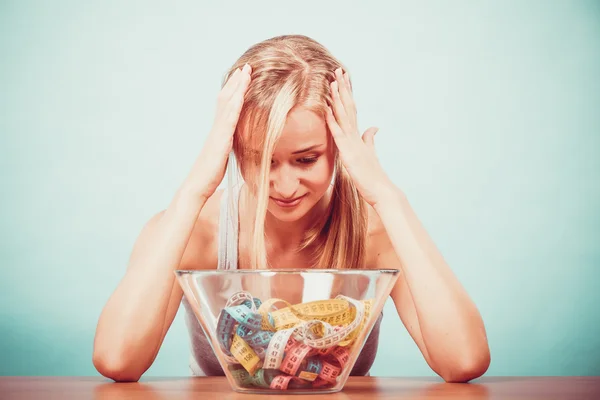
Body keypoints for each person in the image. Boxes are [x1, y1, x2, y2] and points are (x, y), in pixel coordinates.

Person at [92, 34, 491, 383]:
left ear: (338, 146)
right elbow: (117, 360)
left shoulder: (373, 233)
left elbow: (464, 360)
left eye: (306, 159)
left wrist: (387, 195)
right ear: (231, 149)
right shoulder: (200, 231)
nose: (284, 187)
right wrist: (194, 189)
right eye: (260, 159)